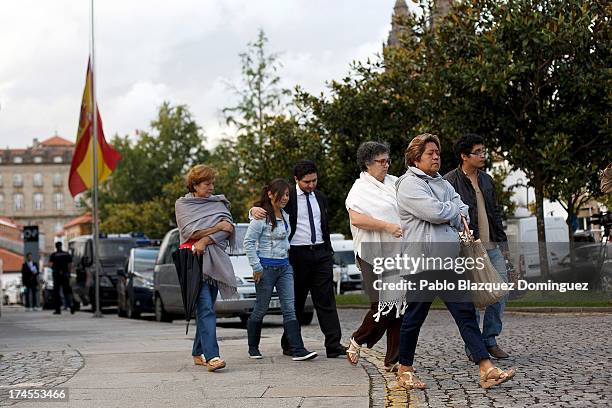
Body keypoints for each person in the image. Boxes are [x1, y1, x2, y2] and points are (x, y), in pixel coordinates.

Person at [395, 133, 515, 389]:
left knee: (465, 314)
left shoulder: (441, 182)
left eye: (437, 153)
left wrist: (452, 211)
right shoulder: (407, 184)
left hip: (450, 262)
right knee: (414, 318)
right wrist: (452, 212)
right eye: (430, 153)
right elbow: (435, 212)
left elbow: (464, 209)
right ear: (416, 158)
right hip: (422, 265)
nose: (436, 157)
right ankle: (405, 370)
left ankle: (486, 368)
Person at [251, 160, 346, 358]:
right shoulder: (288, 196)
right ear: (296, 180)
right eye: (306, 182)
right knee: (296, 301)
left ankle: (333, 344)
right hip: (296, 255)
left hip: (320, 253)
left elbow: (323, 225)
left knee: (326, 300)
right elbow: (264, 208)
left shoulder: (320, 197)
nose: (311, 185)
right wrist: (252, 211)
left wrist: (327, 251)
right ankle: (290, 344)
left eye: (314, 180)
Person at [444, 133, 510, 360]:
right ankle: (474, 347)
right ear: (464, 156)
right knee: (471, 298)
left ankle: (490, 339)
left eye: (484, 151)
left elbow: (496, 214)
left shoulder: (487, 180)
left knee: (501, 291)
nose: (483, 156)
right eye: (478, 152)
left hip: (491, 246)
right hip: (467, 249)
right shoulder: (449, 181)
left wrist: (504, 244)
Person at [344, 141, 403, 371]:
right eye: (381, 161)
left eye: (388, 160)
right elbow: (356, 219)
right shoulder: (359, 188)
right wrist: (386, 226)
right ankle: (358, 339)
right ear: (368, 164)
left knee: (400, 306)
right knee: (382, 305)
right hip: (371, 253)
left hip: (397, 251)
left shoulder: (395, 182)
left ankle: (394, 359)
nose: (386, 165)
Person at [243, 179, 318, 361]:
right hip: (265, 268)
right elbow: (248, 243)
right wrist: (256, 267)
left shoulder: (286, 215)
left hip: (285, 267)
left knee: (289, 309)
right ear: (270, 194)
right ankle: (253, 347)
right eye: (282, 194)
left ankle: (298, 349)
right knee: (261, 309)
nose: (285, 198)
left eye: (287, 194)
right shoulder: (260, 218)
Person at [175, 164, 236, 372]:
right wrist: (216, 228)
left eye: (212, 183)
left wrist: (206, 239)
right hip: (193, 262)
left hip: (214, 262)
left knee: (206, 306)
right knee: (206, 308)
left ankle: (197, 351)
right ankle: (212, 357)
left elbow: (228, 229)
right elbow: (189, 232)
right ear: (194, 185)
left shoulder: (218, 203)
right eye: (207, 184)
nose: (211, 187)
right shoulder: (182, 205)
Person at [49, 242, 75, 315]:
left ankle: (58, 310)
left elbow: (50, 265)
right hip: (65, 275)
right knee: (67, 292)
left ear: (56, 247)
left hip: (57, 276)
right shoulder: (66, 254)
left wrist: (55, 268)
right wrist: (68, 272)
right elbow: (70, 264)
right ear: (61, 246)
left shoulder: (53, 255)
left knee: (56, 293)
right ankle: (71, 306)